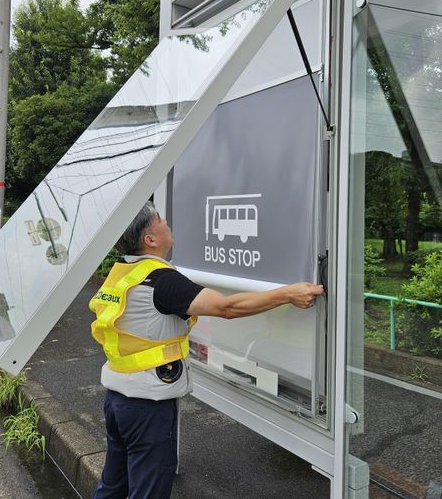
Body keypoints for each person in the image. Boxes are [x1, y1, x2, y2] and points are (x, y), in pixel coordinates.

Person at [89, 201, 323, 499]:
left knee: (112, 486)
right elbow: (227, 308)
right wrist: (288, 294)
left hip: (117, 400)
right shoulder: (162, 281)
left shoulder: (122, 272)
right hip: (148, 406)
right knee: (149, 490)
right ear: (150, 239)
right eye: (160, 219)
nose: (166, 221)